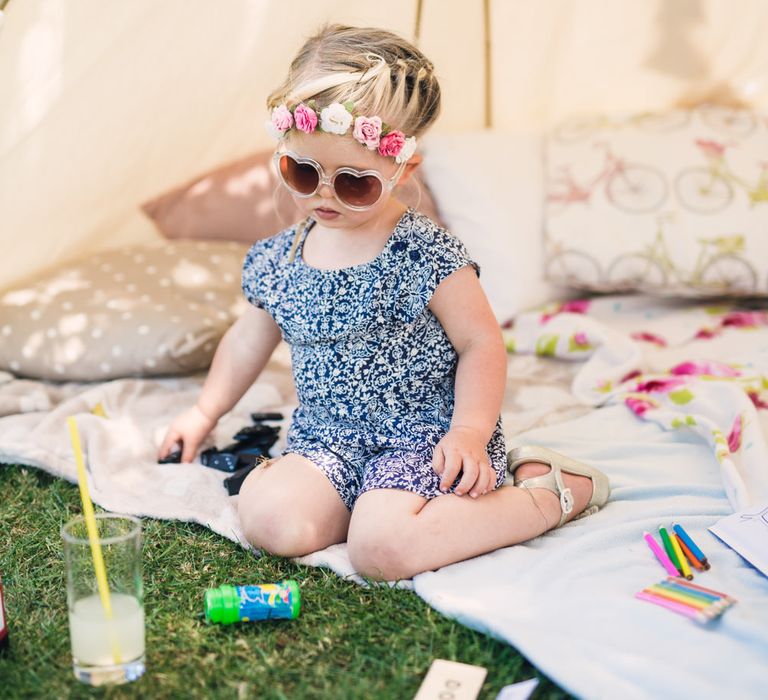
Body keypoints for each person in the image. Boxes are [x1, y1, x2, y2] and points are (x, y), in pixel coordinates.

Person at [158, 24, 610, 581]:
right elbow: (249, 337)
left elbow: (480, 342)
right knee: (272, 522)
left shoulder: (424, 252)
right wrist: (205, 412)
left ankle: (547, 494)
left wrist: (468, 432)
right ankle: (366, 501)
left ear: (402, 169)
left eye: (354, 184)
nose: (323, 194)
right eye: (302, 171)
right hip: (328, 437)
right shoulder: (281, 256)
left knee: (383, 551)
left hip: (425, 434)